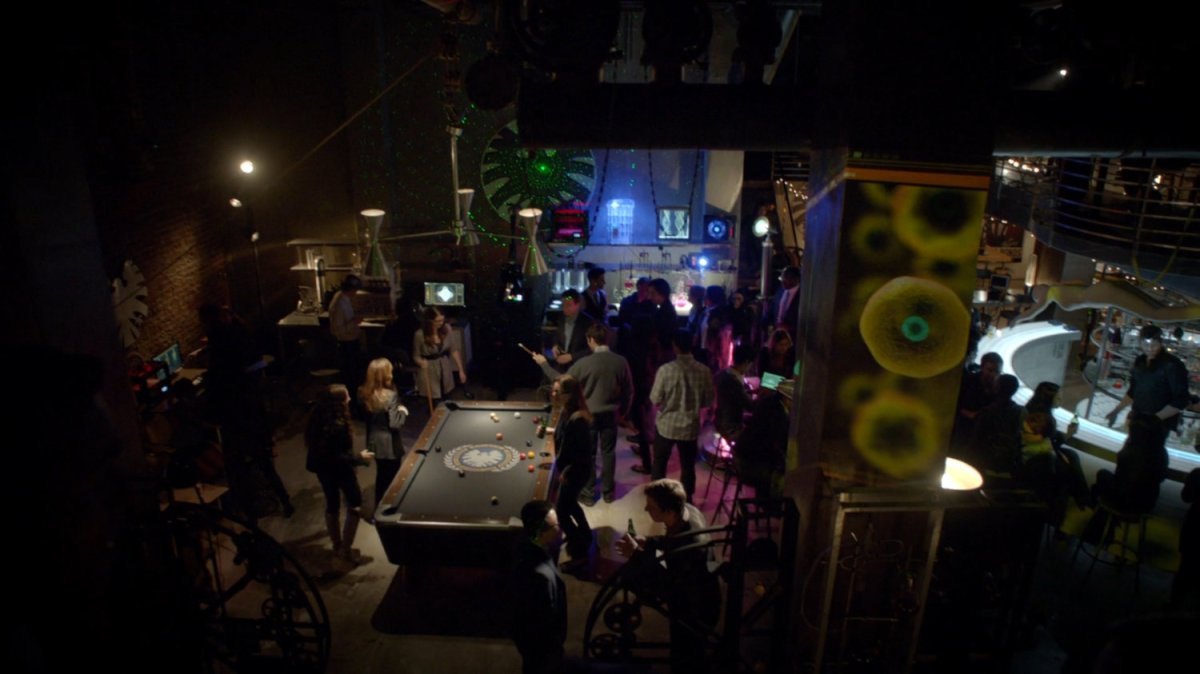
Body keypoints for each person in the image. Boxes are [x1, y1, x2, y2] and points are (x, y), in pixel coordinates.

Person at [616, 479, 721, 674]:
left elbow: (667, 581)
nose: (646, 509)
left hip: (695, 610)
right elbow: (671, 542)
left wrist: (636, 554)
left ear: (669, 512)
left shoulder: (690, 546)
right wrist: (648, 542)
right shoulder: (687, 511)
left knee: (686, 656)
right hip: (697, 596)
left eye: (652, 507)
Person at [532, 323, 635, 503]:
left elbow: (560, 381)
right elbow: (629, 391)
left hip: (589, 416)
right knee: (609, 452)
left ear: (591, 340)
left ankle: (588, 494)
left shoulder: (584, 363)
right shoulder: (621, 361)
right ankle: (608, 493)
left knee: (590, 454)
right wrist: (623, 413)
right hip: (611, 414)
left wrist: (543, 364)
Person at [305, 384, 374, 565]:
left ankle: (337, 546)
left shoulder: (317, 418)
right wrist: (359, 457)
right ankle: (345, 549)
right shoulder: (339, 425)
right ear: (339, 402)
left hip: (323, 470)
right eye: (347, 396)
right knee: (355, 505)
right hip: (340, 471)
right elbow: (338, 456)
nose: (350, 398)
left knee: (332, 504)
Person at [1105, 325, 1190, 461]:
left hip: (1158, 425)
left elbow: (1181, 399)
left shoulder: (1173, 365)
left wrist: (1155, 419)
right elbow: (1133, 392)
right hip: (1137, 420)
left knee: (1149, 460)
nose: (1150, 349)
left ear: (1161, 342)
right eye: (1145, 344)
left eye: (1154, 345)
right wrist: (1116, 411)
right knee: (1129, 456)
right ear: (1140, 343)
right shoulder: (1139, 361)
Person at [650, 330, 715, 502]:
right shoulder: (704, 371)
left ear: (675, 346)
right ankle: (687, 500)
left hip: (666, 426)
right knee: (688, 466)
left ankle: (657, 498)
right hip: (690, 427)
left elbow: (655, 399)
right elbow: (708, 401)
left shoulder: (665, 370)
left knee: (659, 463)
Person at [511, 500, 567, 674]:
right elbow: (542, 620)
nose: (561, 528)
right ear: (540, 531)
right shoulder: (539, 577)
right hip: (542, 647)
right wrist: (555, 644)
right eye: (556, 525)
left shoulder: (528, 541)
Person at [549, 376, 594, 567]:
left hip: (576, 471)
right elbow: (566, 438)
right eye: (553, 390)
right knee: (571, 504)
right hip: (572, 469)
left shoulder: (578, 420)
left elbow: (583, 454)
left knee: (561, 512)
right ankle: (586, 535)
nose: (553, 394)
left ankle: (580, 552)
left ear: (569, 395)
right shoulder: (567, 411)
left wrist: (566, 470)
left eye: (557, 391)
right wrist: (551, 431)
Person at [359, 358, 408, 506]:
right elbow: (395, 423)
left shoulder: (363, 393)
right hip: (390, 444)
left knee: (381, 477)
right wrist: (403, 412)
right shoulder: (390, 396)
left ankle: (378, 508)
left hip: (374, 441)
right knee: (393, 479)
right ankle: (390, 508)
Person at [951, 352, 1004, 451]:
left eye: (997, 372)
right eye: (990, 370)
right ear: (982, 367)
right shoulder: (968, 381)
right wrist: (970, 414)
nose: (993, 374)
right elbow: (954, 403)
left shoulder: (999, 387)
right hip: (961, 427)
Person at [413, 306, 467, 402]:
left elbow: (454, 349)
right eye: (437, 321)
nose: (441, 323)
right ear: (429, 321)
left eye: (442, 320)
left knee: (447, 397)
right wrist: (421, 362)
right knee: (433, 399)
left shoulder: (447, 329)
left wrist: (461, 370)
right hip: (429, 370)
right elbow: (415, 356)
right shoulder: (420, 334)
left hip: (444, 367)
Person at [329, 274, 365, 396]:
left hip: (351, 341)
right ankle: (351, 399)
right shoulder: (339, 304)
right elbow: (338, 330)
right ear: (351, 289)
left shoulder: (343, 297)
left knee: (355, 373)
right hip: (347, 344)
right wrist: (355, 322)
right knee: (351, 376)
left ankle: (354, 396)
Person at [551, 289, 595, 371]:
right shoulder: (562, 317)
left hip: (580, 367)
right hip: (562, 366)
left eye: (568, 305)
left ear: (577, 305)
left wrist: (572, 357)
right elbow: (557, 335)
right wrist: (555, 345)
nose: (564, 308)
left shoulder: (588, 322)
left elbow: (593, 348)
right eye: (563, 305)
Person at [762, 265, 801, 334]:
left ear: (796, 279)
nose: (783, 281)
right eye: (782, 278)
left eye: (787, 278)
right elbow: (773, 308)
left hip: (793, 334)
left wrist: (790, 327)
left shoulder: (801, 295)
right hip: (776, 332)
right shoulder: (780, 290)